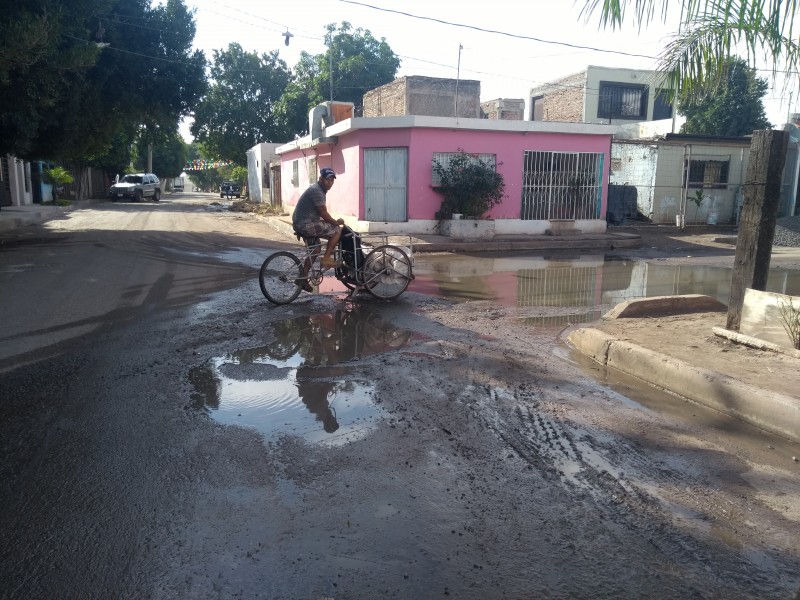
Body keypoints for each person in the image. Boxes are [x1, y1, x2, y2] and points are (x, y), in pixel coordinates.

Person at [292, 168, 344, 279]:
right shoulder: (317, 192)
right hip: (305, 224)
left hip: (302, 222)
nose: (330, 183)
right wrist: (336, 222)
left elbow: (321, 215)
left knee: (315, 250)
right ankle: (326, 258)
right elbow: (324, 214)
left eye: (332, 181)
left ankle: (303, 279)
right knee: (336, 230)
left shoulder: (318, 190)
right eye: (327, 180)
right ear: (320, 179)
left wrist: (331, 221)